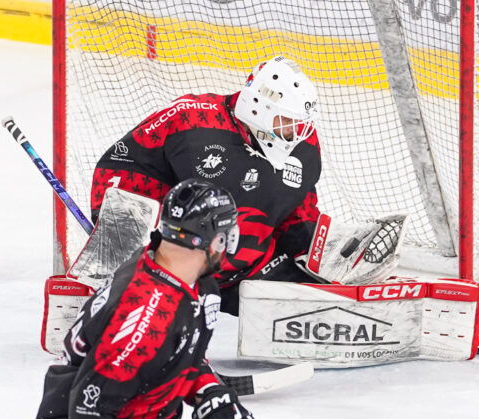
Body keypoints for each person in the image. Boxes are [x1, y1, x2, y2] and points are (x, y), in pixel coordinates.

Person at [11, 180, 290, 419]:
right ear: (212, 240)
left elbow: (183, 357)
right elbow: (88, 413)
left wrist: (213, 397)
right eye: (227, 232)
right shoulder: (144, 317)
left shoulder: (198, 284)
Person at [90, 56, 321, 316]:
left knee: (320, 305)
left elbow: (298, 207)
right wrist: (118, 239)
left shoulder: (303, 144)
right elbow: (125, 164)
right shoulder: (193, 119)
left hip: (251, 270)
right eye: (287, 120)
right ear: (259, 107)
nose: (297, 130)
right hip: (180, 266)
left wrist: (310, 253)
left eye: (299, 121)